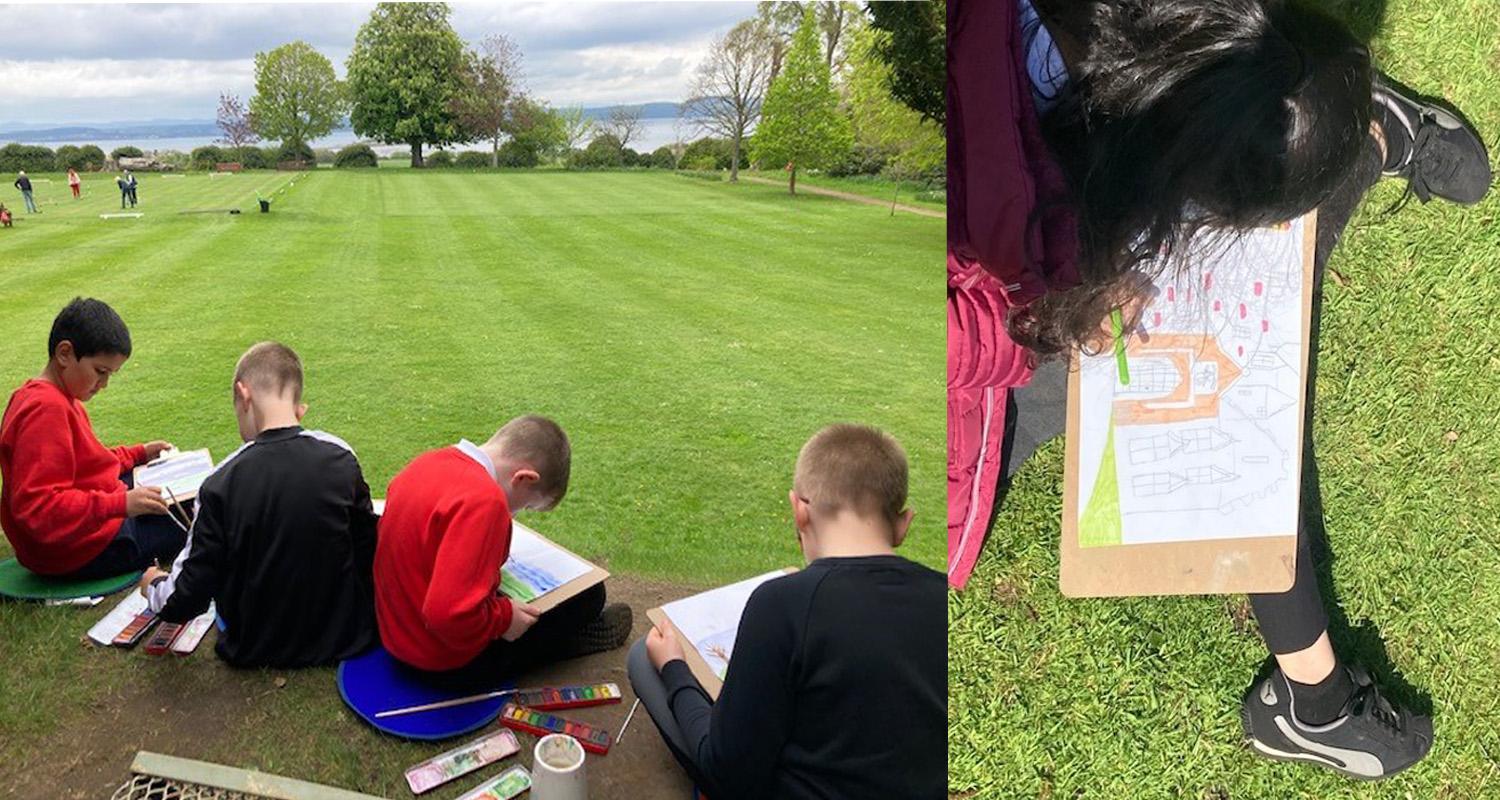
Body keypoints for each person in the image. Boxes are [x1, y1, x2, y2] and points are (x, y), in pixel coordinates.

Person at [951, 0, 1491, 781]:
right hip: (982, 365)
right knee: (1221, 399)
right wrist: (1043, 316)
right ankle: (1361, 137)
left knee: (1242, 341)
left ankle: (1353, 132)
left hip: (1069, 200)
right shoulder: (1002, 229)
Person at [628, 424, 945, 799]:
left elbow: (727, 772)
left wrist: (675, 669)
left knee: (643, 660)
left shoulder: (781, 604)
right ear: (903, 525)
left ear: (799, 511)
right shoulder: (946, 595)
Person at [138, 342, 379, 668]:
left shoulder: (220, 482)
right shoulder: (340, 456)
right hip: (345, 637)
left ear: (244, 395)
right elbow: (368, 549)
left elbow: (184, 598)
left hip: (254, 647)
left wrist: (152, 582)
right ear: (299, 409)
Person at [374, 415, 632, 690]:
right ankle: (566, 645)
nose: (516, 514)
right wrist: (504, 620)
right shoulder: (486, 502)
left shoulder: (428, 462)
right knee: (590, 597)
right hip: (440, 661)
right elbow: (446, 616)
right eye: (526, 507)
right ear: (524, 478)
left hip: (394, 634)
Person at [0, 298, 180, 578]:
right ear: (65, 354)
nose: (104, 384)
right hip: (79, 551)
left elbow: (89, 462)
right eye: (100, 371)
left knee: (171, 489)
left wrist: (139, 453)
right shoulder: (46, 409)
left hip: (89, 526)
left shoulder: (55, 398)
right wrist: (121, 504)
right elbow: (39, 509)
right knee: (198, 520)